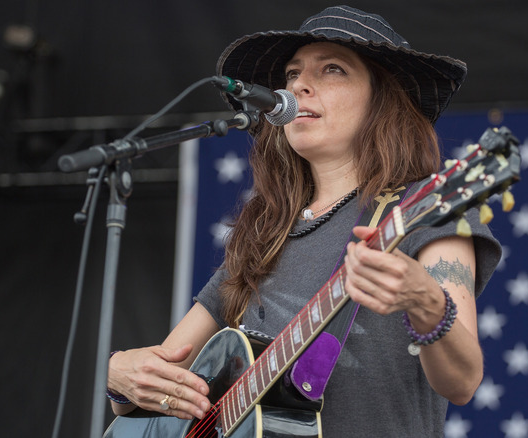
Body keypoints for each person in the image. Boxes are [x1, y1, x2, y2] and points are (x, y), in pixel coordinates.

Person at [107, 5, 501, 436]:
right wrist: (121, 377)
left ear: (382, 100)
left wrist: (427, 303)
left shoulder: (420, 214)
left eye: (332, 69)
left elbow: (463, 383)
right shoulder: (265, 233)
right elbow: (165, 376)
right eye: (292, 74)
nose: (299, 85)